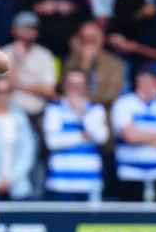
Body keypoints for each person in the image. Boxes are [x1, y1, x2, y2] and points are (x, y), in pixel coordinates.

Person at [110, 63, 156, 202]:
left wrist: (140, 133)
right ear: (140, 79)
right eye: (154, 79)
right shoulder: (123, 104)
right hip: (130, 176)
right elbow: (129, 136)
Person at [43, 68, 110, 200]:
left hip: (90, 183)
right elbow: (52, 142)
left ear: (86, 88)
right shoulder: (54, 109)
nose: (74, 90)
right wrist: (82, 136)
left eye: (78, 86)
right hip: (61, 183)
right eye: (70, 85)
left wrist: (82, 113)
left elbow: (102, 137)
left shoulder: (95, 109)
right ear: (64, 86)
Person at [0, 76, 37, 200]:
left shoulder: (21, 119)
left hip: (19, 189)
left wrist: (11, 180)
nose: (2, 96)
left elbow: (27, 153)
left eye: (6, 92)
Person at [1, 11, 58, 120]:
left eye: (32, 28)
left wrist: (18, 87)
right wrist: (17, 61)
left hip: (37, 113)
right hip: (8, 112)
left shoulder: (45, 55)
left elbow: (49, 90)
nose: (28, 31)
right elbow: (1, 87)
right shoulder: (3, 53)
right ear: (14, 29)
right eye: (24, 27)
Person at [65, 22, 125, 105]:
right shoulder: (72, 60)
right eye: (85, 38)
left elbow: (111, 94)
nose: (88, 42)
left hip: (104, 112)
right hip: (72, 111)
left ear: (101, 39)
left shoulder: (113, 63)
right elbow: (66, 88)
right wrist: (85, 63)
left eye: (92, 38)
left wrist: (85, 99)